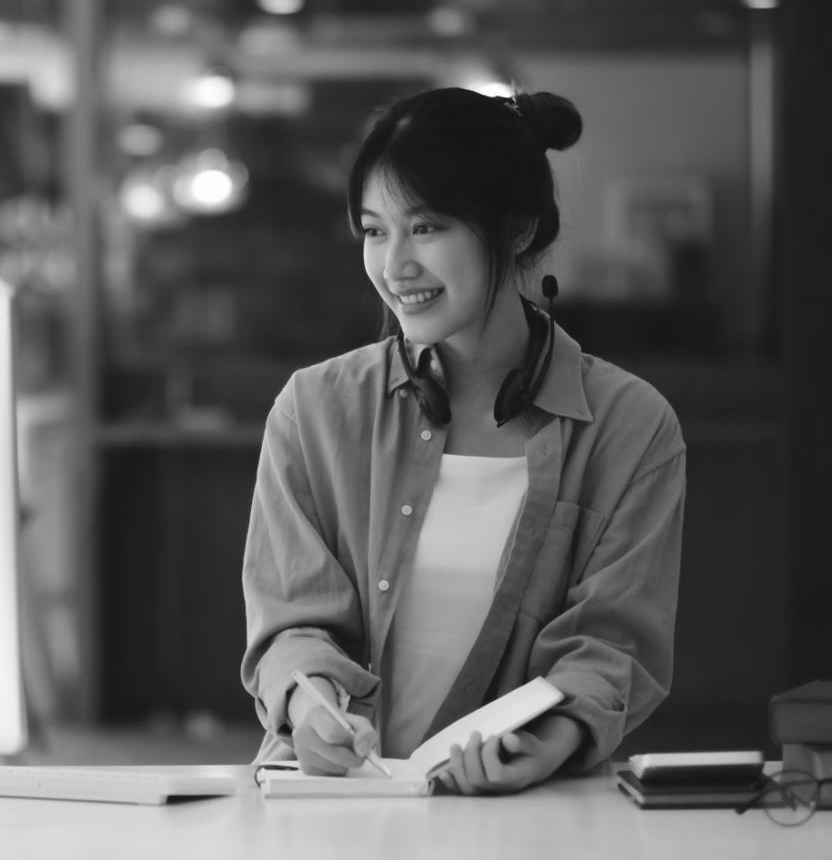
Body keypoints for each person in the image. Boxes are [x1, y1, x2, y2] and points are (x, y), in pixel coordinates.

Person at [239, 86, 685, 795]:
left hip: (531, 819)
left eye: (428, 227)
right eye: (374, 230)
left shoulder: (631, 427)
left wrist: (550, 740)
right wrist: (309, 701)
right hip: (336, 810)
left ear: (514, 229)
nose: (394, 267)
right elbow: (290, 625)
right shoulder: (314, 410)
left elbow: (611, 647)